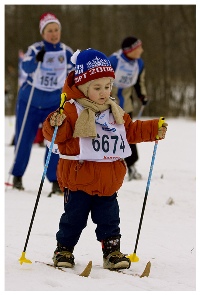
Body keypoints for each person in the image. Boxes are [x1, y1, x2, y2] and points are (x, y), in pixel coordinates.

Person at [42, 48, 168, 270]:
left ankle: (112, 252)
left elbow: (130, 130)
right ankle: (64, 249)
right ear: (82, 87)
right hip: (78, 179)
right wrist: (55, 122)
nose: (103, 92)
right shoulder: (72, 110)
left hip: (108, 181)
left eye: (107, 86)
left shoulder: (114, 111)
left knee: (110, 220)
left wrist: (152, 129)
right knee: (74, 219)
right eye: (97, 88)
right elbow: (57, 136)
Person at [11, 12, 74, 194]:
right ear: (43, 33)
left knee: (55, 140)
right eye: (49, 31)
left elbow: (73, 76)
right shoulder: (35, 49)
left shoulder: (66, 51)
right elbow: (26, 66)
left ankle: (54, 180)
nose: (53, 34)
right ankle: (17, 176)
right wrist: (36, 59)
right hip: (29, 100)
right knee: (24, 138)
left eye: (56, 30)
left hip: (53, 102)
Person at [108, 36, 148, 181]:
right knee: (112, 134)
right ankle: (108, 164)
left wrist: (142, 96)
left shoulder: (139, 63)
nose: (141, 50)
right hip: (110, 104)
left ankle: (130, 164)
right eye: (139, 48)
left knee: (129, 134)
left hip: (127, 105)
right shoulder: (114, 61)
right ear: (130, 50)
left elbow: (139, 82)